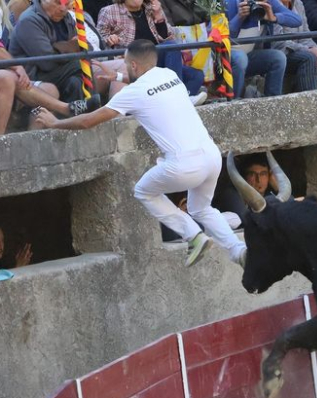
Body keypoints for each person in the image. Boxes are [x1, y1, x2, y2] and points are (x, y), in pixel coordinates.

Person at [33, 39, 247, 267]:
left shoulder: (133, 92)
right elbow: (150, 89)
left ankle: (194, 236)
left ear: (133, 66)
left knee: (144, 191)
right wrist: (116, 78)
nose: (124, 68)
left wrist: (55, 123)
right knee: (202, 208)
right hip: (212, 158)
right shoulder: (168, 75)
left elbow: (88, 121)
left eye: (125, 64)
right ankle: (239, 251)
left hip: (184, 165)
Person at [0, 28, 99, 137]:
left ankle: (34, 139)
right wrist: (15, 66)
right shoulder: (29, 20)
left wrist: (13, 67)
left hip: (6, 76)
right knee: (5, 78)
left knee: (49, 89)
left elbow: (1, 51)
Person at [97, 0, 206, 103]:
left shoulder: (152, 8)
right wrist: (110, 39)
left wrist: (160, 19)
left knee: (196, 75)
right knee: (170, 47)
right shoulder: (109, 11)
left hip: (155, 60)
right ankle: (179, 97)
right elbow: (99, 39)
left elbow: (169, 38)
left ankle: (175, 100)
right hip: (134, 61)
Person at [10, 0, 90, 102]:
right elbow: (47, 63)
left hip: (61, 71)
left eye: (67, 4)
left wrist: (57, 48)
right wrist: (72, 47)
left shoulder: (67, 17)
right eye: (57, 3)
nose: (63, 8)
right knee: (81, 65)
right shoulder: (29, 20)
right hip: (32, 75)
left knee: (75, 82)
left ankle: (77, 114)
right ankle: (94, 110)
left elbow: (86, 47)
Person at [224, 0, 299, 97]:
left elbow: (297, 20)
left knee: (278, 57)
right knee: (240, 58)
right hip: (224, 57)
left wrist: (274, 17)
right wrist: (239, 17)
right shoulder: (229, 3)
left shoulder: (268, 2)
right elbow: (222, 36)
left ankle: (273, 102)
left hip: (248, 56)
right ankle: (234, 102)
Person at [271, 0, 317, 92]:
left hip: (301, 50)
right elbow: (279, 42)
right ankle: (310, 101)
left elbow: (306, 34)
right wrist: (307, 50)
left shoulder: (298, 3)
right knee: (309, 58)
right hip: (283, 52)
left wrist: (314, 49)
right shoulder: (273, 5)